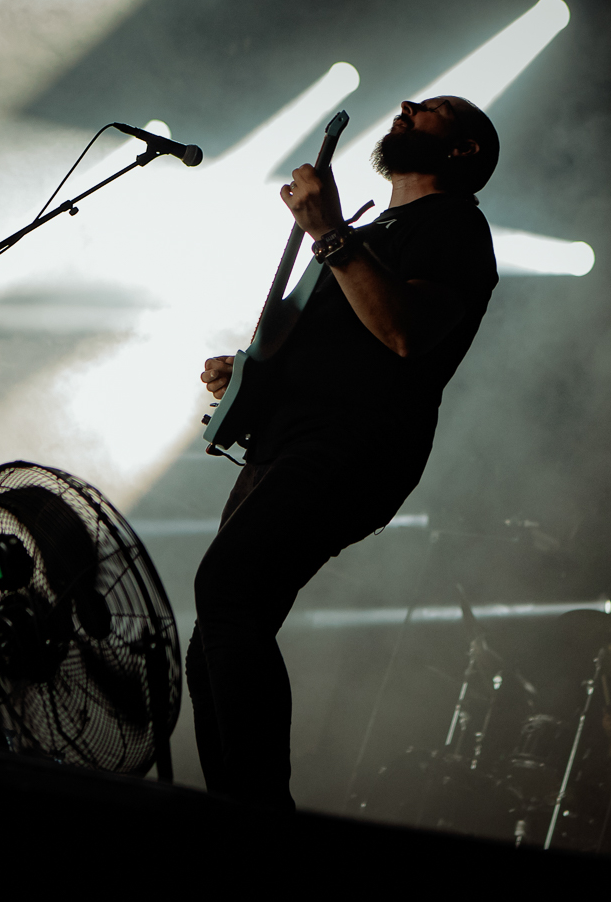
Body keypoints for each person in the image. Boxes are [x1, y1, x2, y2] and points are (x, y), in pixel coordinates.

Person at [187, 96, 500, 809]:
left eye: (434, 113)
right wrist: (251, 373)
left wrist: (329, 232)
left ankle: (260, 813)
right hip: (288, 439)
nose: (409, 105)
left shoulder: (455, 226)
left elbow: (401, 332)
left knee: (228, 592)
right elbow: (335, 337)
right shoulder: (373, 227)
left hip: (355, 444)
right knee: (214, 638)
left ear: (464, 153)